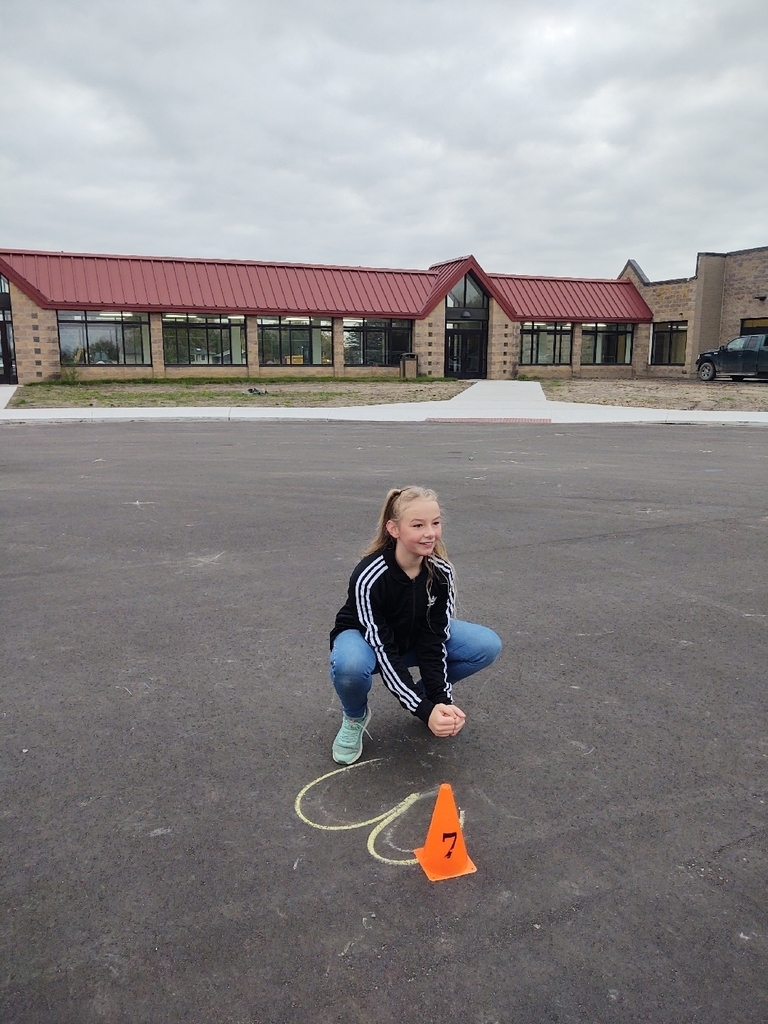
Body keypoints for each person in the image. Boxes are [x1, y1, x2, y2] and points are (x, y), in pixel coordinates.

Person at [329, 485, 502, 764]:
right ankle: (355, 717)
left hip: (411, 639)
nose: (430, 533)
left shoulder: (441, 572)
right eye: (418, 525)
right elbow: (383, 649)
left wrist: (438, 703)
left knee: (486, 645)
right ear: (394, 529)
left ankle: (420, 696)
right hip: (367, 642)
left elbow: (434, 641)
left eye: (435, 523)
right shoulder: (369, 575)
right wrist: (422, 711)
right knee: (349, 666)